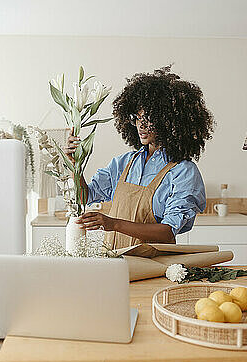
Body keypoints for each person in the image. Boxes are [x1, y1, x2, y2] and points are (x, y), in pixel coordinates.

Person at [65, 66, 215, 250]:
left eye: (149, 118)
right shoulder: (124, 163)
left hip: (151, 265)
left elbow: (167, 233)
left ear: (170, 121)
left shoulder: (183, 172)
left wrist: (114, 224)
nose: (141, 125)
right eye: (137, 117)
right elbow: (85, 197)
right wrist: (74, 164)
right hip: (113, 260)